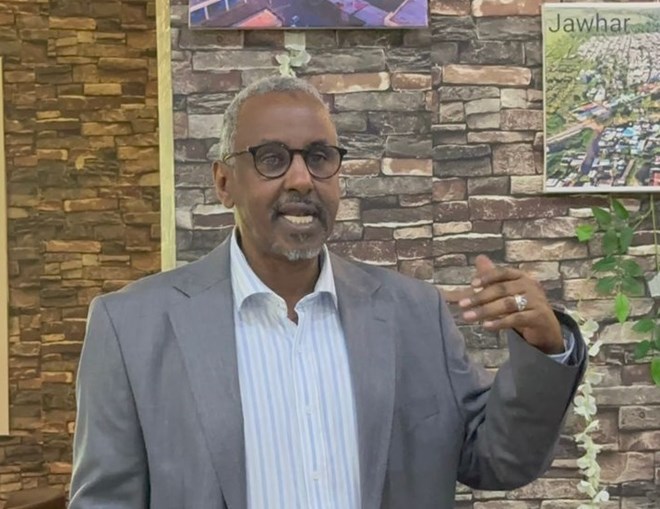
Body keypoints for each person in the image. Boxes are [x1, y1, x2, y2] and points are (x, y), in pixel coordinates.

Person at [69, 75, 586, 509]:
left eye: (319, 157)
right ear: (224, 182)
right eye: (272, 158)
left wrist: (546, 347)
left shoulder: (413, 313)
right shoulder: (131, 328)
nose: (301, 179)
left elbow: (495, 459)